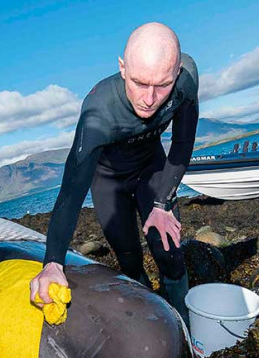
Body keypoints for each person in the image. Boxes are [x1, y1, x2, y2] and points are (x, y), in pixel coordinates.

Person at [30, 22, 199, 323]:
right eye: (138, 82)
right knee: (131, 264)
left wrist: (162, 203)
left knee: (170, 254)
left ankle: (184, 328)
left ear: (175, 74)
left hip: (153, 170)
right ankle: (155, 325)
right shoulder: (98, 114)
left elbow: (183, 142)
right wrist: (53, 261)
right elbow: (71, 194)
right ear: (122, 68)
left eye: (162, 85)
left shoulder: (186, 82)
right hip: (109, 184)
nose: (149, 99)